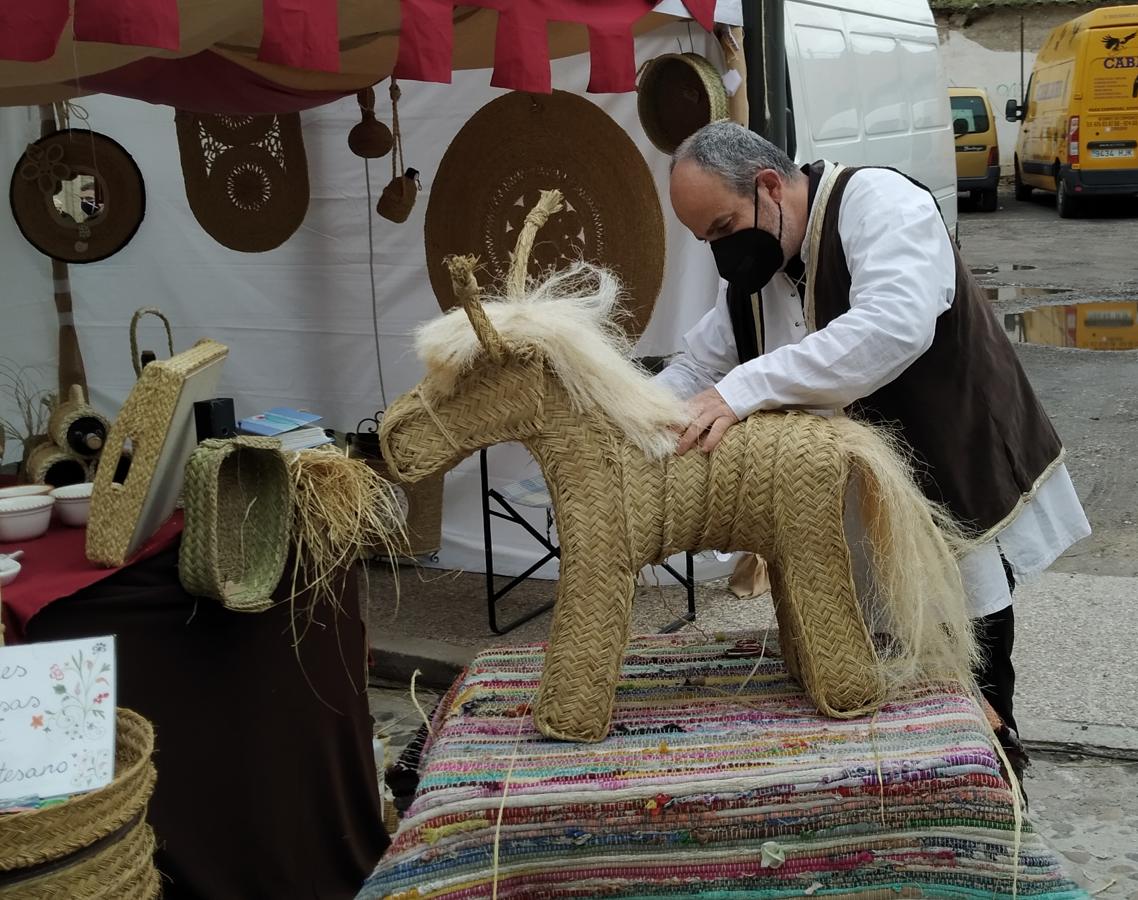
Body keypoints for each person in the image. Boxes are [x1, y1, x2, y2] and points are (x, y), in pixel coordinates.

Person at [655, 121, 1091, 785]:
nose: (721, 252)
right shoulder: (754, 270)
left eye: (722, 228)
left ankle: (994, 789)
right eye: (705, 240)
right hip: (856, 504)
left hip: (946, 465)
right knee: (876, 663)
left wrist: (744, 389)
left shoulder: (880, 204)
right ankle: (905, 792)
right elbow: (699, 367)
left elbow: (892, 325)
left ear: (769, 186)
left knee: (966, 651)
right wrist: (633, 413)